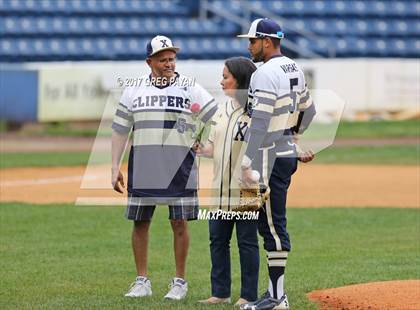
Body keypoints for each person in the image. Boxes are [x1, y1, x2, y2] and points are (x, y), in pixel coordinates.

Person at [111, 35, 218, 300]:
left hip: (179, 167)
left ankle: (180, 282)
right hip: (144, 166)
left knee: (179, 222)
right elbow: (120, 130)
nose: (169, 63)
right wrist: (114, 166)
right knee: (140, 222)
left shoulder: (190, 88)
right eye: (163, 59)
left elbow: (216, 117)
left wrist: (205, 143)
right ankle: (141, 280)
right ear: (150, 62)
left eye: (172, 58)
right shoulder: (133, 90)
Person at [237, 18, 316, 310]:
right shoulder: (294, 66)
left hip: (267, 156)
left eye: (252, 41)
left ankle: (277, 297)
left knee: (271, 224)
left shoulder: (264, 73)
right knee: (266, 222)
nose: (249, 46)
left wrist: (246, 160)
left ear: (266, 41)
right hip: (282, 152)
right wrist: (291, 139)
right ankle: (271, 293)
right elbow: (310, 111)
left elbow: (260, 122)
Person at [196, 57, 259, 307]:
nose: (221, 81)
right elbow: (211, 147)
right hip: (220, 188)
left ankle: (248, 295)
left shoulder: (257, 111)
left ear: (240, 79)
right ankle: (220, 293)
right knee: (217, 241)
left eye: (226, 76)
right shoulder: (222, 108)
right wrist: (199, 147)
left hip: (246, 190)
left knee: (246, 242)